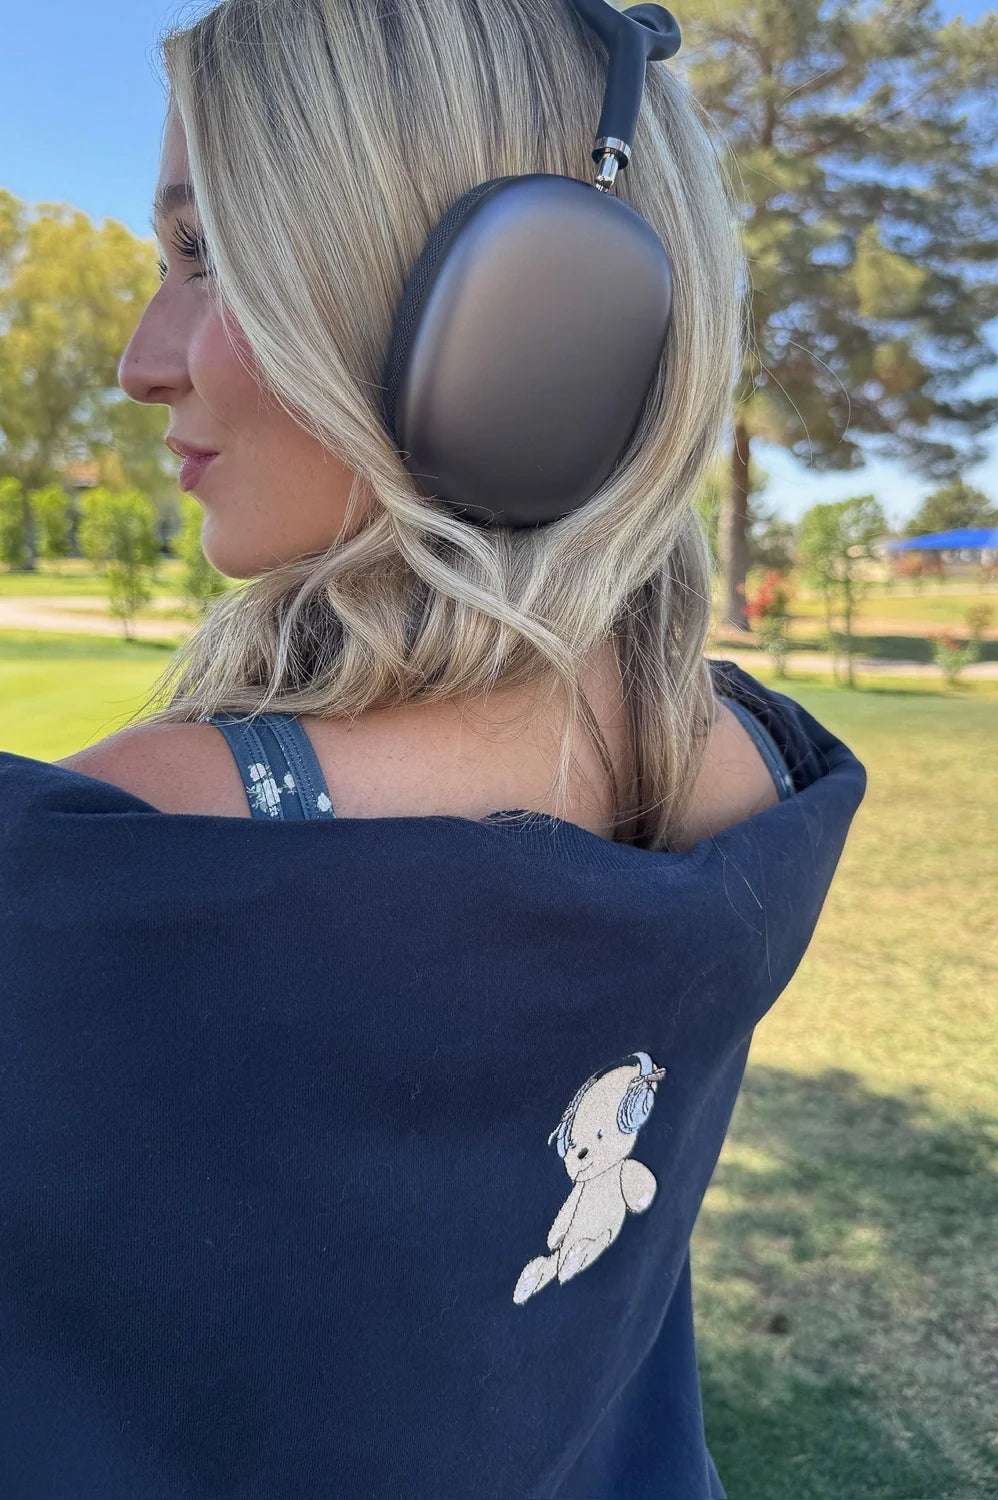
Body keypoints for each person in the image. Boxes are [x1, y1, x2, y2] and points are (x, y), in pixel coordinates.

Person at [0, 2, 867, 1496]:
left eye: (208, 256)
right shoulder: (756, 772)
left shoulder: (133, 852)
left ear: (523, 315)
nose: (142, 361)